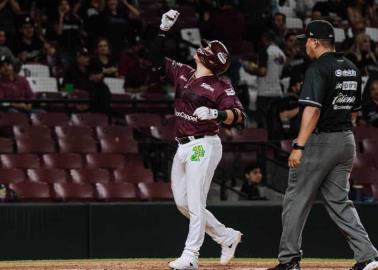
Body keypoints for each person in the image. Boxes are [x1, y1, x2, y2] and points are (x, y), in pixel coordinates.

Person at [268, 20, 378, 270]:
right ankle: (367, 256)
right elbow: (353, 113)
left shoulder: (317, 68)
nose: (305, 44)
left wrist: (299, 146)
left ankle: (289, 260)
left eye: (307, 40)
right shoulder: (351, 67)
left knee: (296, 199)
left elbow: (312, 111)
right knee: (340, 201)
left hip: (321, 140)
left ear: (315, 41)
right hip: (346, 140)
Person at [151, 10, 245, 270]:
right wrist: (162, 31)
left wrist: (217, 113)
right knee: (183, 204)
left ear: (210, 58)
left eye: (206, 49)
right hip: (182, 144)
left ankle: (191, 255)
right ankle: (226, 237)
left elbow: (239, 117)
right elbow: (154, 61)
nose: (200, 48)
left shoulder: (220, 85)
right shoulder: (183, 72)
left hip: (204, 143)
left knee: (195, 202)